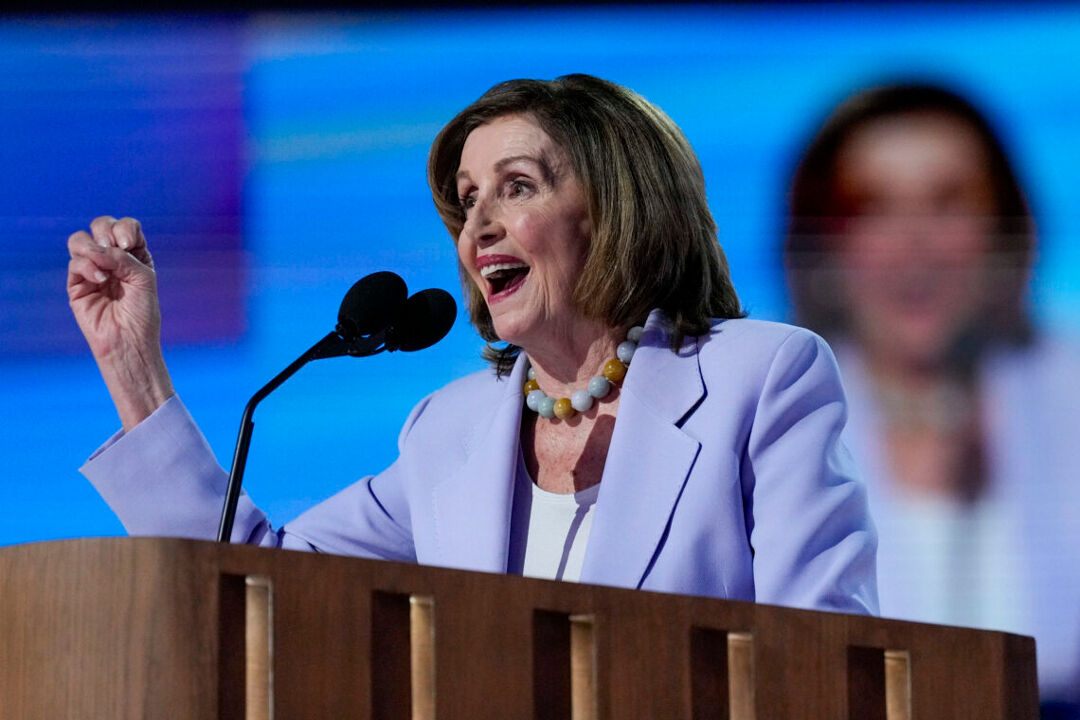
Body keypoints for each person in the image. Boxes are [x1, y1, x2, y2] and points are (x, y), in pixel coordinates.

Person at [68, 74, 876, 614]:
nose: (477, 226)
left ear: (619, 205)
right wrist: (132, 367)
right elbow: (255, 584)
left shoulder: (762, 377)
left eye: (517, 187)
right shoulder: (451, 430)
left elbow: (820, 650)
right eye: (466, 200)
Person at [784, 82, 1080, 708]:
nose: (914, 244)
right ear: (825, 249)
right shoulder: (758, 421)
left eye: (948, 202)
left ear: (1005, 231)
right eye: (872, 207)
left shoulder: (1068, 385)